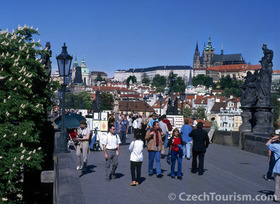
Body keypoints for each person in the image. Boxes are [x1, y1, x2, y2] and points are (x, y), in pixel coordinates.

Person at [266, 135, 280, 202]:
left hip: (278, 168)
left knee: (277, 183)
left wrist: (272, 138)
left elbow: (268, 145)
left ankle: (277, 197)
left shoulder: (276, 146)